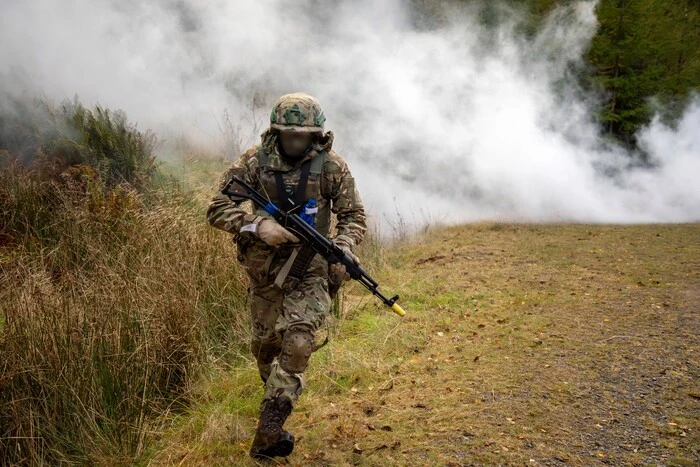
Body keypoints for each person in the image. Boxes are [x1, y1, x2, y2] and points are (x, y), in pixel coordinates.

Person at [207, 92, 367, 459]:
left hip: (310, 268)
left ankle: (269, 429)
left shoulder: (331, 167)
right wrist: (257, 225)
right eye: (288, 134)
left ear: (315, 135)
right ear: (276, 131)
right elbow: (217, 208)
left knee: (297, 342)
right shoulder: (253, 162)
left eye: (304, 135)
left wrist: (342, 246)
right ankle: (274, 407)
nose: (295, 141)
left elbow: (354, 216)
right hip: (264, 271)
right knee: (266, 350)